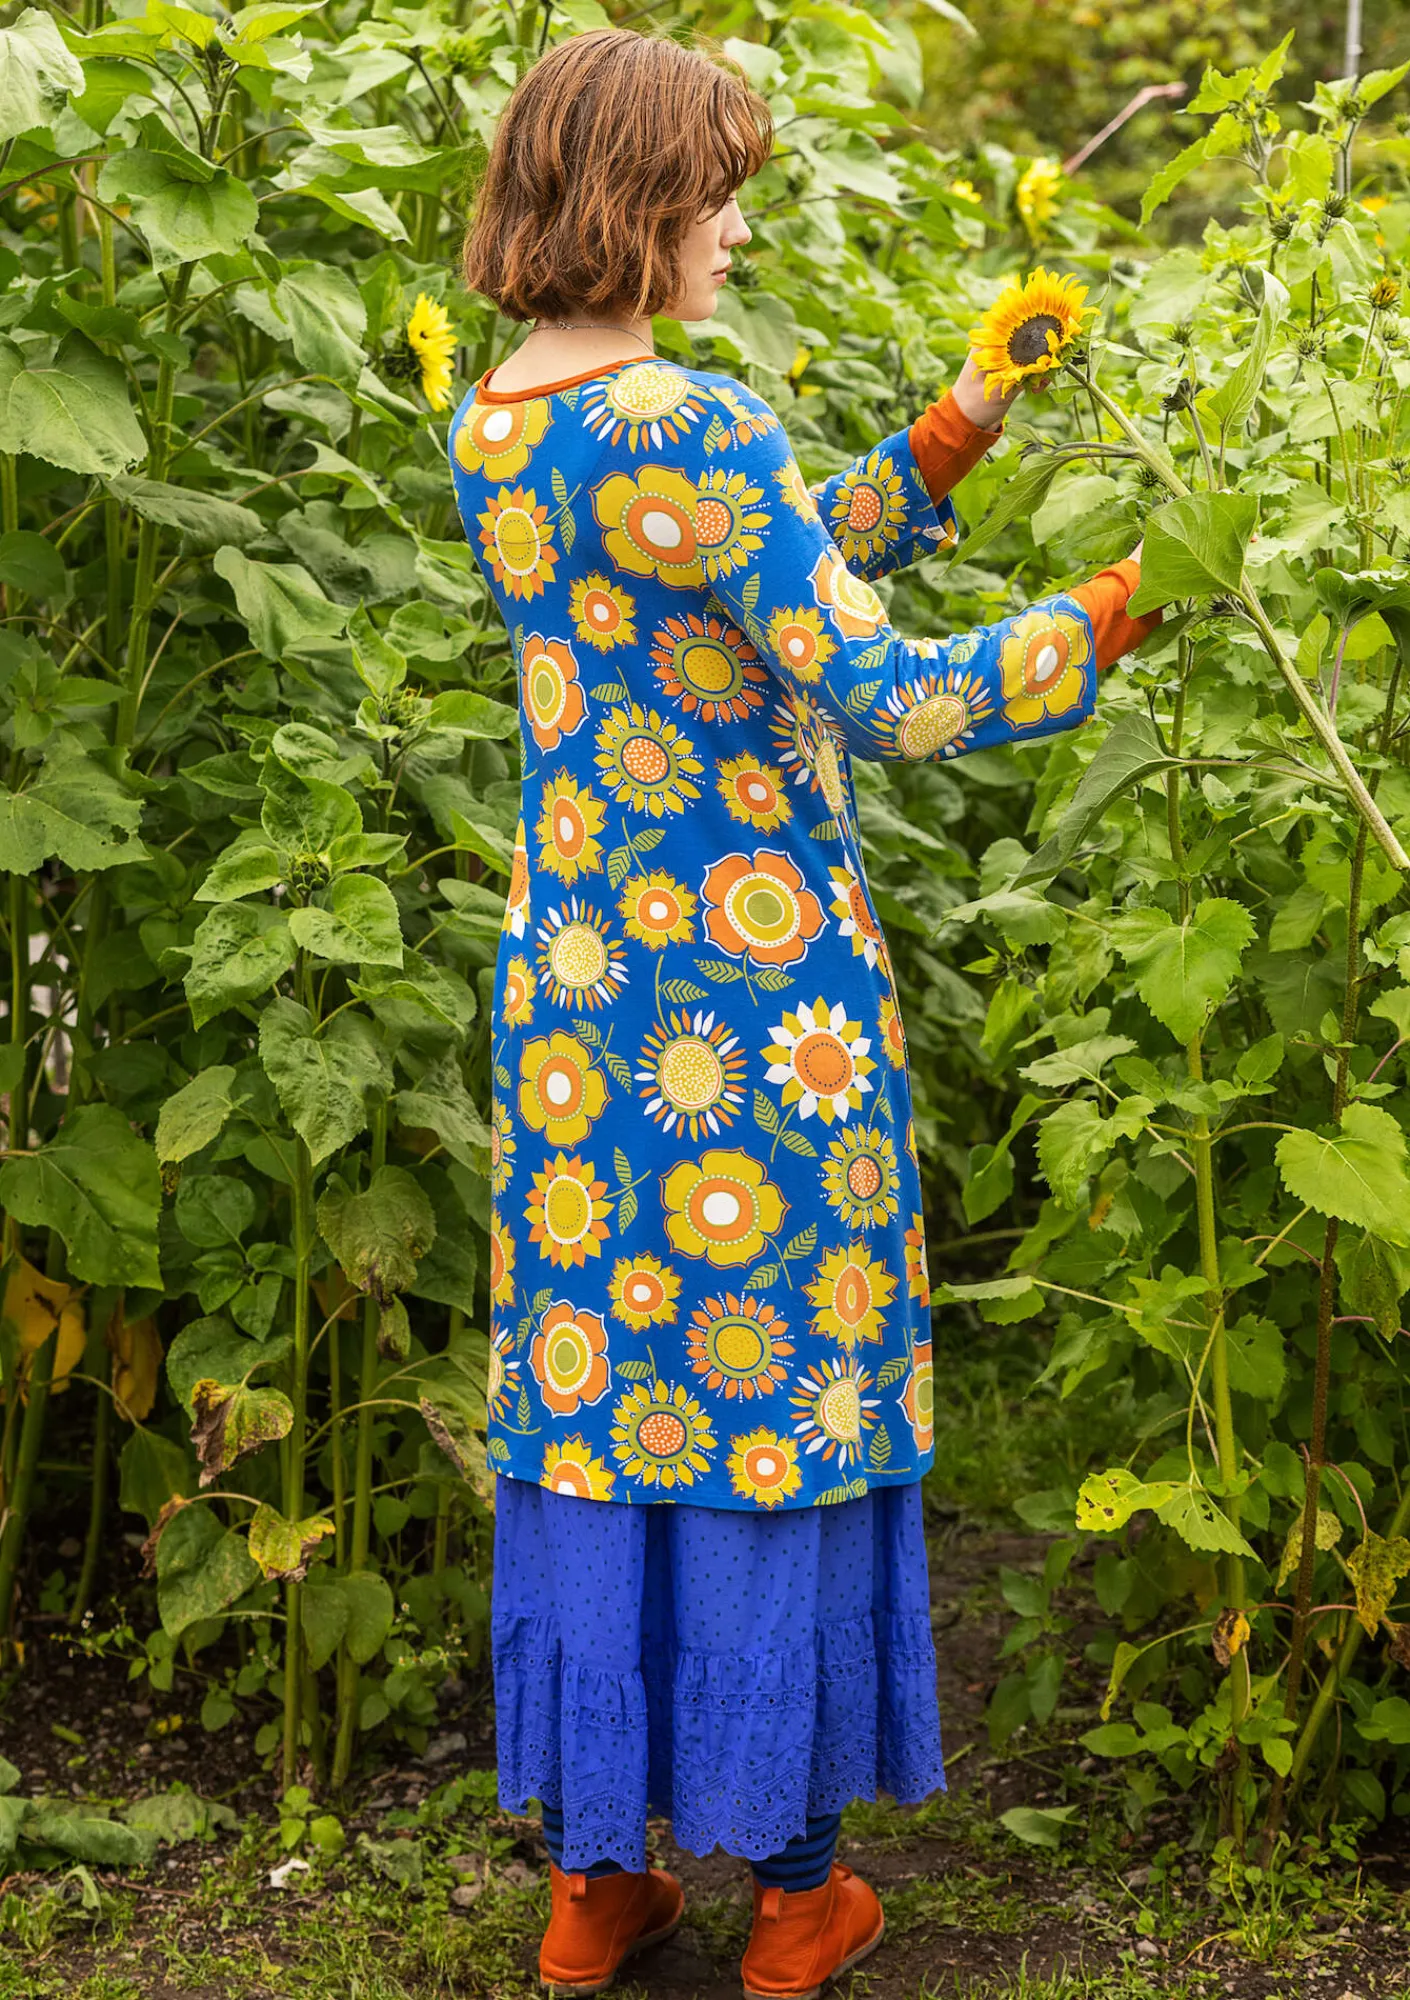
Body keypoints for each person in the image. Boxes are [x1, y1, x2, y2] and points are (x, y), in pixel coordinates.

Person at [446, 25, 1161, 2000]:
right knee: (778, 1396)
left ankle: (596, 1890)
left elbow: (724, 577)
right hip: (766, 1025)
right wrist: (1114, 608)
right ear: (639, 202)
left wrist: (945, 434)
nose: (738, 220)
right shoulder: (690, 421)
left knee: (604, 1399)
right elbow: (899, 694)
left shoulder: (499, 414)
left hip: (589, 1020)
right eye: (721, 186)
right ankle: (794, 1900)